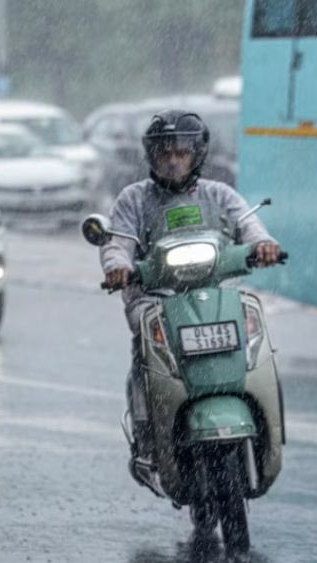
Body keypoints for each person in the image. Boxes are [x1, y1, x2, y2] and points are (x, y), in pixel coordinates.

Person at [98, 110, 283, 476]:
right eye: (164, 153)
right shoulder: (133, 199)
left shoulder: (220, 194)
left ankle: (267, 425)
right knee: (145, 352)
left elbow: (250, 225)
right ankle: (148, 436)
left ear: (197, 154)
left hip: (215, 293)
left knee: (257, 341)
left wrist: (264, 245)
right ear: (151, 156)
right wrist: (116, 265)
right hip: (155, 298)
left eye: (180, 152)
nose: (172, 161)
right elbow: (117, 243)